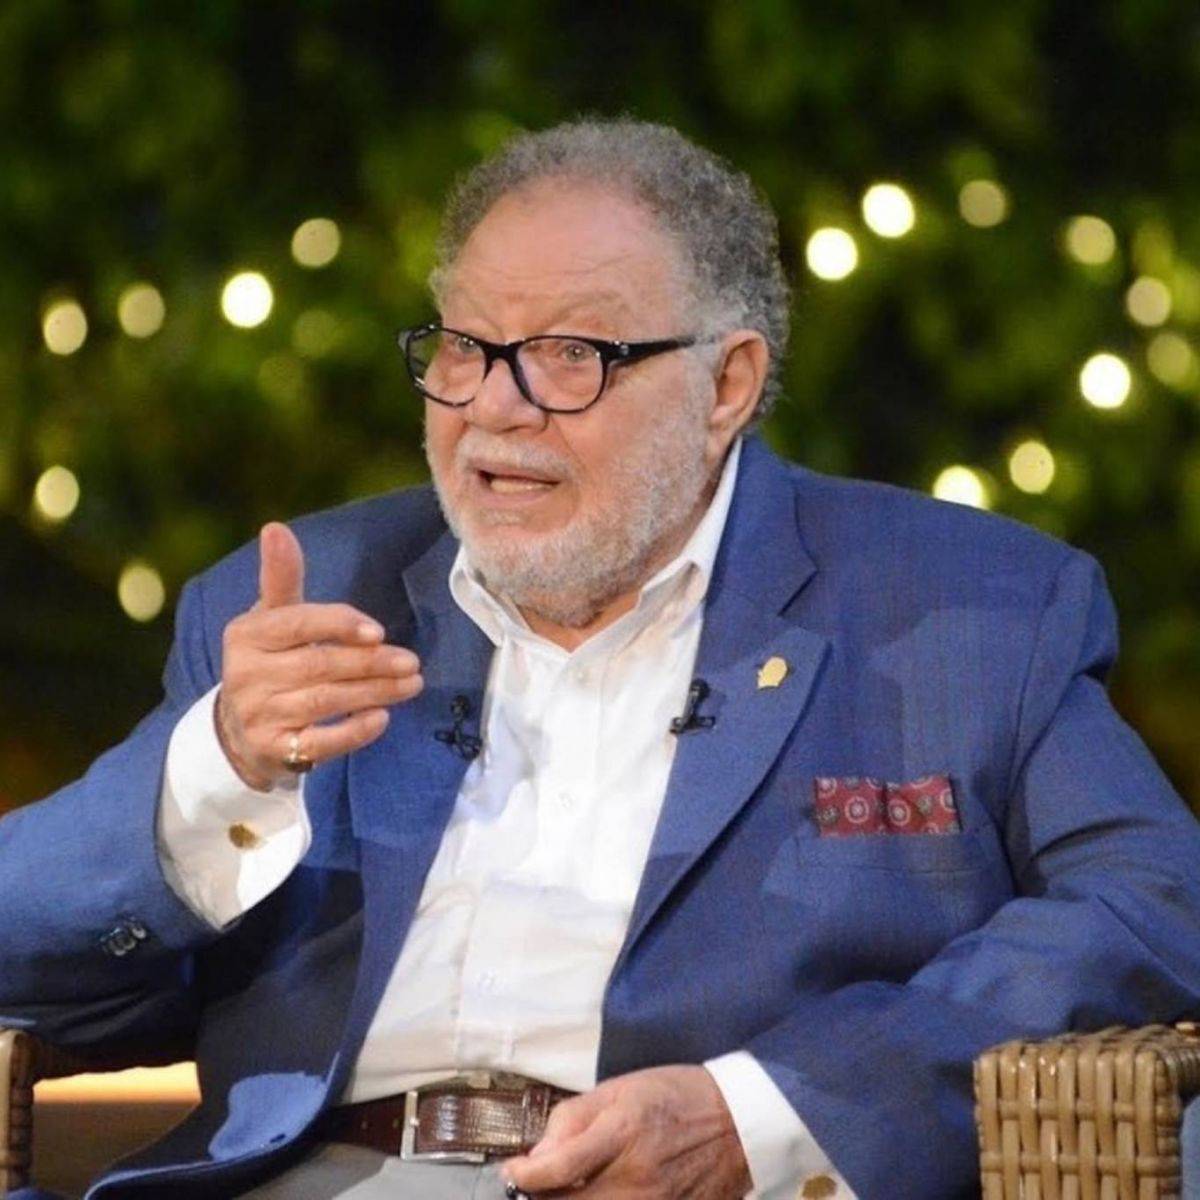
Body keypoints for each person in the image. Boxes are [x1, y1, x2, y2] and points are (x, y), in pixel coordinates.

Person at [3, 117, 1199, 1200]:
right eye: (465, 347)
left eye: (570, 354)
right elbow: (32, 966)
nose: (494, 408)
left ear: (727, 385)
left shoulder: (967, 611)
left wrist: (763, 1118)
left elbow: (1153, 908)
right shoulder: (304, 598)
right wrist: (213, 774)